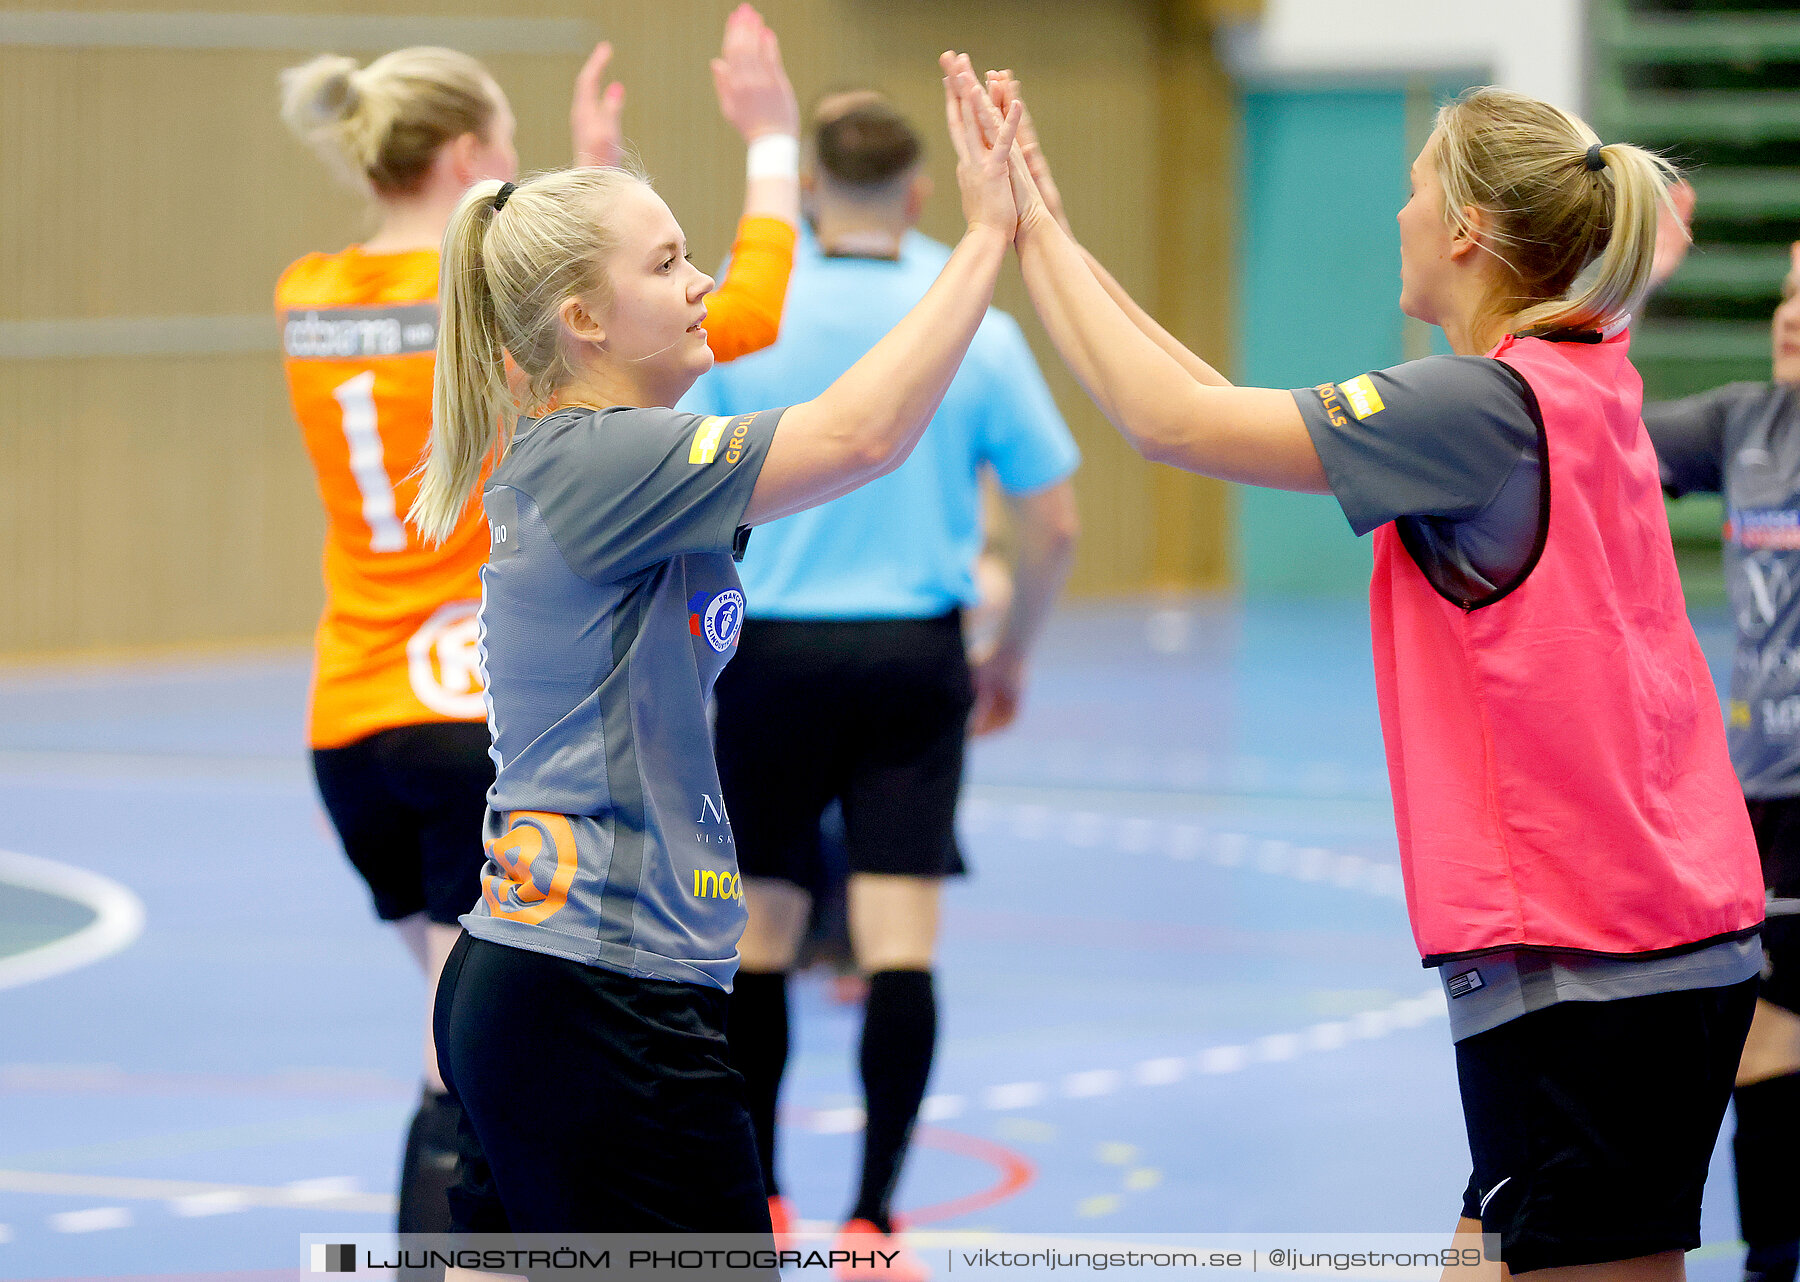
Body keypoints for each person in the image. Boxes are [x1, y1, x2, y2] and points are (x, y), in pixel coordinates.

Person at [957, 55, 1766, 1280]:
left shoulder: (1475, 410)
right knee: (1482, 1254)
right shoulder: (1579, 374)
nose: (1395, 214)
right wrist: (1049, 237)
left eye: (1413, 187)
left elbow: (1170, 424)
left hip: (1586, 959)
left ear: (1468, 231)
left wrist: (1023, 239)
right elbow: (1206, 397)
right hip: (1653, 934)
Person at [412, 66, 1026, 1233]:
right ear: (582, 321)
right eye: (667, 266)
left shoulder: (619, 460)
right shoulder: (605, 460)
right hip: (602, 991)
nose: (702, 288)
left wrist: (769, 146)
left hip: (545, 978)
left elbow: (777, 349)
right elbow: (861, 432)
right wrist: (987, 237)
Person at [274, 7, 799, 1237]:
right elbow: (737, 318)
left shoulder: (307, 295)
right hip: (482, 706)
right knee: (482, 1063)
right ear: (468, 162)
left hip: (352, 705)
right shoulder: (490, 314)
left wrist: (589, 201)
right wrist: (763, 152)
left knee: (463, 1045)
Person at [681, 90, 1079, 1266]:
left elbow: (687, 475)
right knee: (901, 936)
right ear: (916, 194)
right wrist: (1009, 654)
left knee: (760, 935)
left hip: (772, 652)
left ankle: (763, 1206)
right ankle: (874, 1216)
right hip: (914, 655)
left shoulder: (751, 320)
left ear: (809, 190)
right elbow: (1050, 522)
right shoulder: (971, 324)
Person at [1643, 211, 1800, 1282]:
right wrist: (1622, 287)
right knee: (1761, 1036)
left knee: (1769, 1035)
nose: (1790, 314)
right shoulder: (1748, 423)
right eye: (1787, 290)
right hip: (1760, 792)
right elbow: (1594, 435)